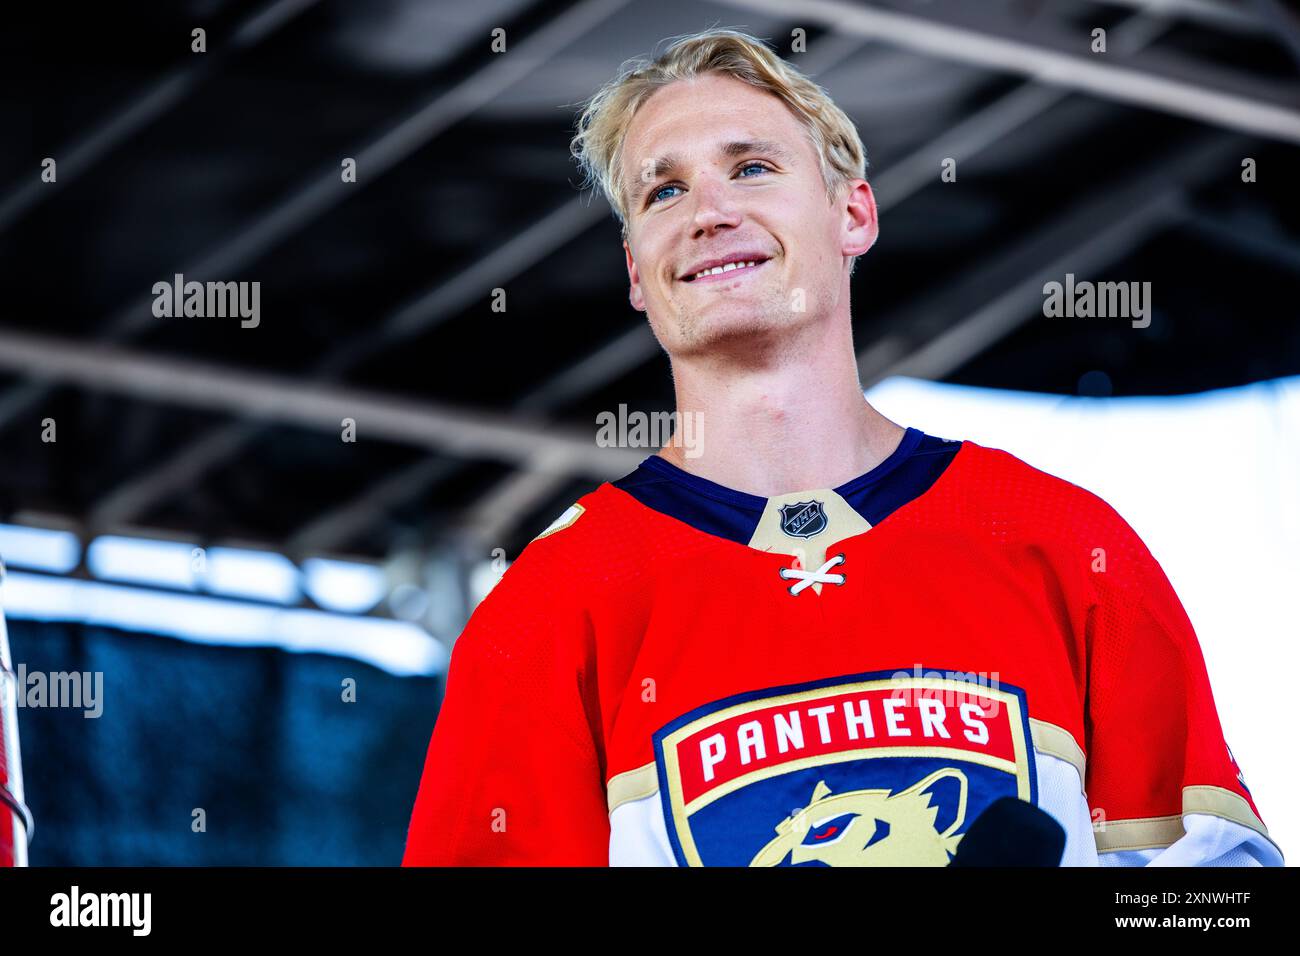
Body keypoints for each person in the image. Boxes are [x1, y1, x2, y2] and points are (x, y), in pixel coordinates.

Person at [402, 28, 1283, 867]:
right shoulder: (548, 607)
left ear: (853, 212)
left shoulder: (1062, 542)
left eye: (751, 168)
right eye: (661, 191)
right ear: (637, 269)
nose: (708, 212)